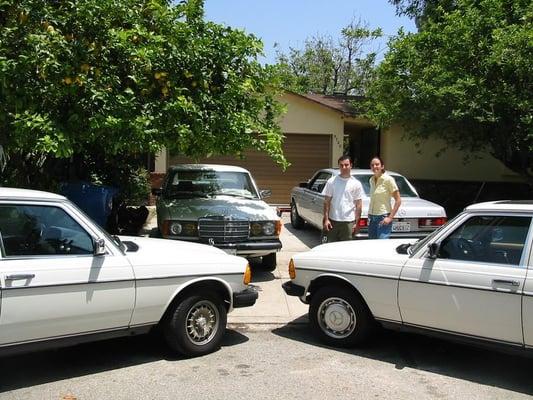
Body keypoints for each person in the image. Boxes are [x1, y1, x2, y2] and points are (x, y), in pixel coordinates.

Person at [322, 155, 363, 243]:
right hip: (333, 221)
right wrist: (326, 219)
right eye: (341, 165)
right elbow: (326, 202)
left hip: (348, 222)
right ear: (339, 166)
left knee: (346, 249)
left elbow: (358, 205)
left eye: (346, 165)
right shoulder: (331, 182)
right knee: (330, 248)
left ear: (351, 165)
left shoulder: (356, 183)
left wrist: (357, 223)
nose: (344, 167)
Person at [368, 156, 401, 239]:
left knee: (382, 245)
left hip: (383, 218)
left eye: (377, 164)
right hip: (372, 218)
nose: (374, 167)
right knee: (371, 245)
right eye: (372, 165)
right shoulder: (371, 180)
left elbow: (398, 200)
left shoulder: (388, 180)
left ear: (382, 166)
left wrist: (390, 218)